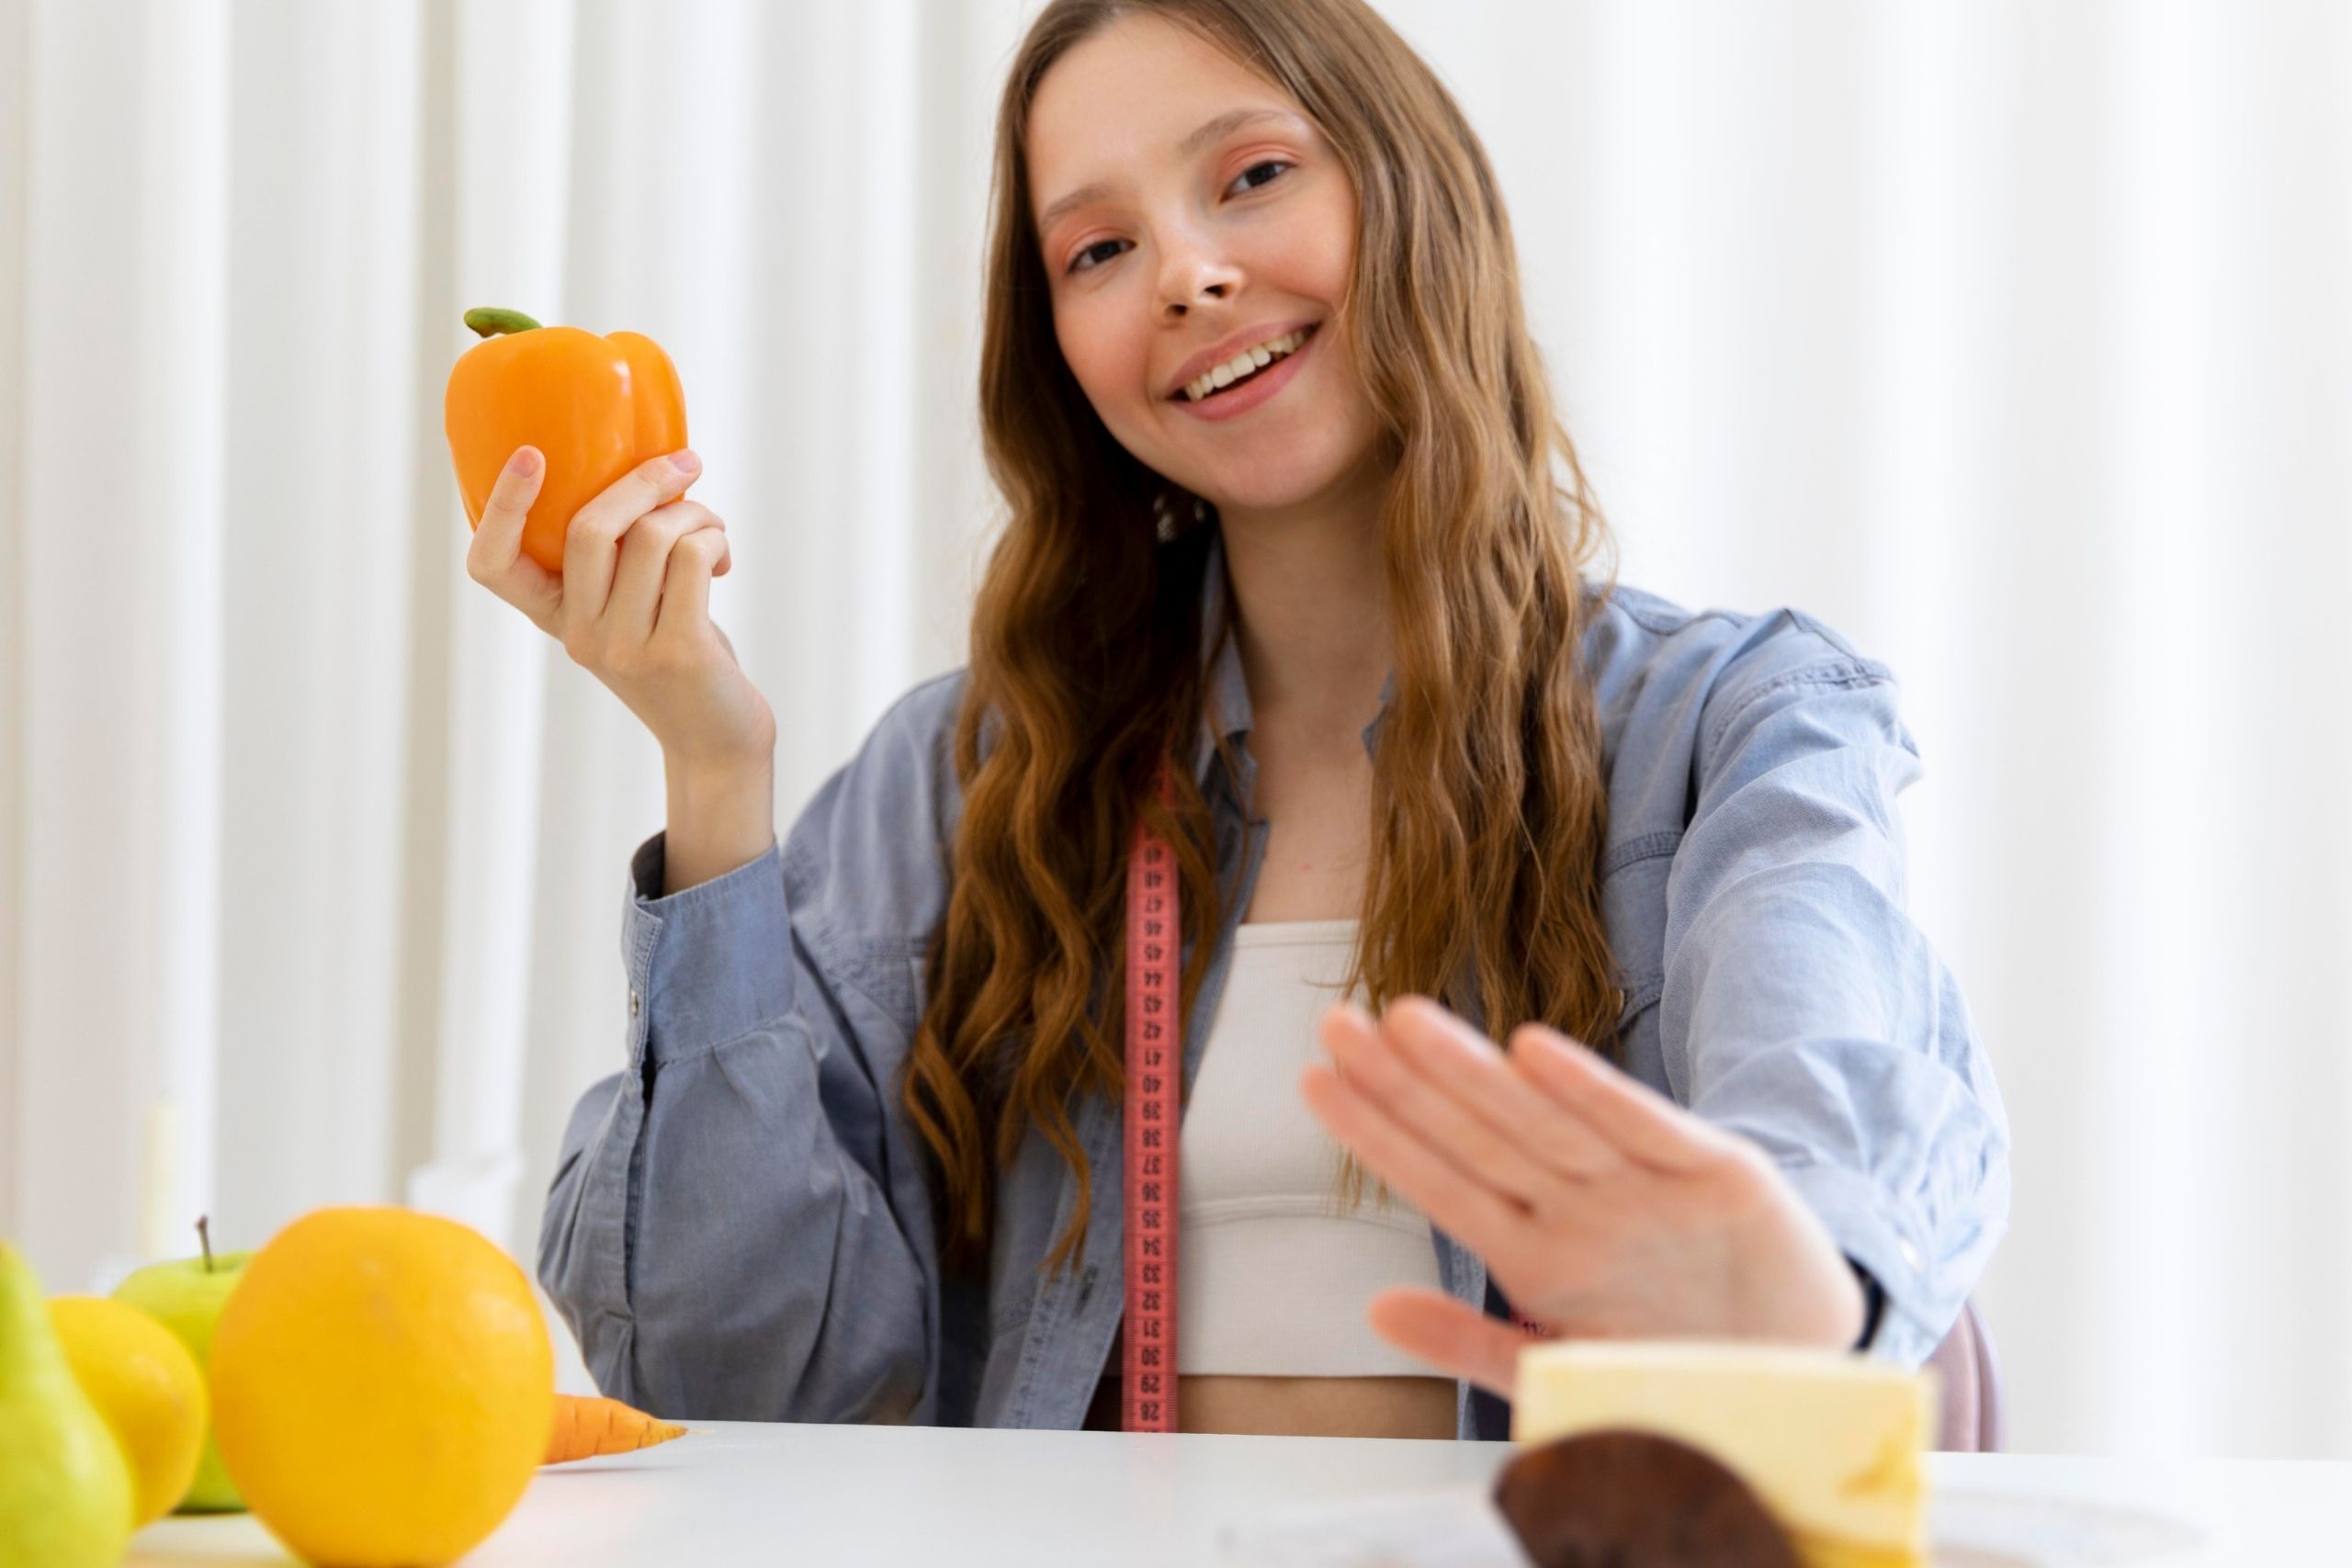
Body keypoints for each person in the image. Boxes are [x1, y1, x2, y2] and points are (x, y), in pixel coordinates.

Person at [478, 0, 2009, 1441]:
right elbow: (726, 1373)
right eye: (1097, 250)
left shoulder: (1732, 730)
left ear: (1412, 193)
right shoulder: (965, 787)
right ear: (1062, 358)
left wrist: (1804, 1297)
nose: (1186, 275)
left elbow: (1833, 1075)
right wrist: (713, 767)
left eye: (1255, 176)